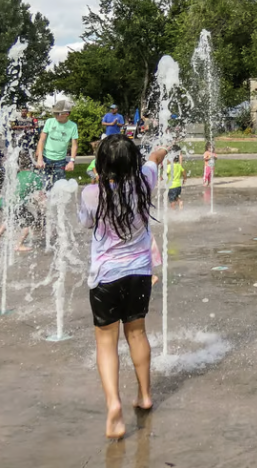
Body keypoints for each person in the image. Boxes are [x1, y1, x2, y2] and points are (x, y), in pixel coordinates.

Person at [78, 134, 169, 439]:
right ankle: (144, 395)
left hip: (106, 276)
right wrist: (163, 149)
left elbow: (86, 223)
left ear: (101, 164)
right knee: (137, 332)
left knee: (106, 342)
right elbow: (155, 159)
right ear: (133, 160)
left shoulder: (92, 193)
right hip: (139, 273)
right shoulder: (144, 181)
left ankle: (114, 406)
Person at [0, 152, 46, 252]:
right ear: (32, 164)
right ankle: (18, 245)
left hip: (3, 203)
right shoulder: (34, 177)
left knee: (10, 218)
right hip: (16, 204)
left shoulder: (17, 175)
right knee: (29, 222)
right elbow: (40, 196)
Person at [35, 101, 78, 188]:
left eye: (57, 113)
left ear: (67, 114)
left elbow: (74, 145)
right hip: (46, 158)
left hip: (60, 160)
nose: (55, 116)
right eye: (54, 113)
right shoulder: (50, 122)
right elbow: (42, 140)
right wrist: (40, 157)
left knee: (60, 186)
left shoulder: (72, 126)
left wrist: (72, 161)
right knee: (43, 185)